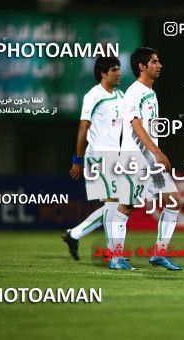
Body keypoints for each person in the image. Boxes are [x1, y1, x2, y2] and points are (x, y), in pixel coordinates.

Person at [114, 47, 183, 271]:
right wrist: (157, 152)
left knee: (173, 201)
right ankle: (116, 257)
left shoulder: (150, 92)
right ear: (142, 67)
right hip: (135, 158)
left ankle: (159, 253)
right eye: (154, 61)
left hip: (151, 162)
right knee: (127, 206)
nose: (159, 65)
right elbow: (136, 125)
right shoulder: (134, 92)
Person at [62, 57, 127, 269]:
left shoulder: (120, 96)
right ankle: (113, 254)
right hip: (97, 156)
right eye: (115, 70)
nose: (119, 73)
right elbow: (83, 129)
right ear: (103, 74)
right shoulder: (93, 96)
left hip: (115, 157)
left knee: (114, 206)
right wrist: (77, 159)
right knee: (115, 203)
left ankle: (74, 233)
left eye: (119, 69)